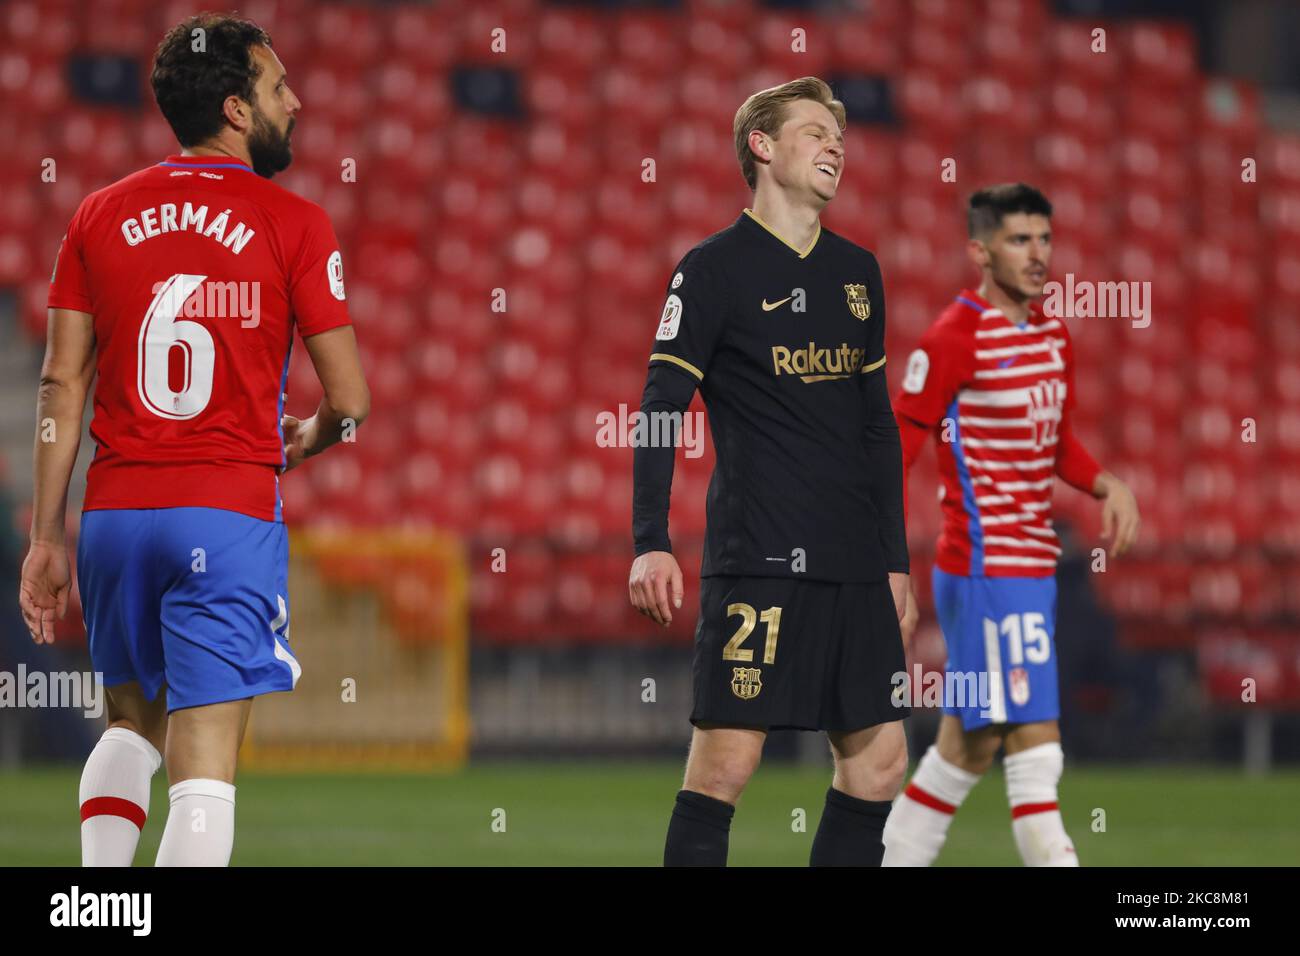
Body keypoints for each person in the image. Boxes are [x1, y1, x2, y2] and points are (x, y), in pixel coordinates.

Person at [18, 13, 369, 866]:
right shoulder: (295, 222)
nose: (298, 101)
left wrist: (44, 535)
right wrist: (311, 437)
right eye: (279, 87)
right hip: (224, 511)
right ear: (237, 109)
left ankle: (104, 913)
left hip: (115, 516)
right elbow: (352, 400)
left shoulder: (96, 215)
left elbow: (62, 383)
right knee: (204, 769)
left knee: (128, 728)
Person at [628, 77, 910, 866]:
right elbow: (659, 406)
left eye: (840, 138)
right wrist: (651, 538)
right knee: (727, 765)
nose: (836, 147)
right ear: (762, 145)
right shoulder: (712, 269)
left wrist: (895, 563)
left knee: (879, 764)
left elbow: (876, 428)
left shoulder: (860, 274)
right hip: (759, 562)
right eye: (816, 132)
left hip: (855, 566)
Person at [882, 183, 1139, 866]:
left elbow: (1056, 445)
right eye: (1019, 240)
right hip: (985, 569)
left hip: (1034, 572)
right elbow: (896, 452)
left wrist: (1104, 480)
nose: (1037, 254)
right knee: (1036, 754)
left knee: (965, 751)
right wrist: (882, 558)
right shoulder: (951, 339)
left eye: (1045, 239)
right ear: (980, 250)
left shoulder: (1053, 334)